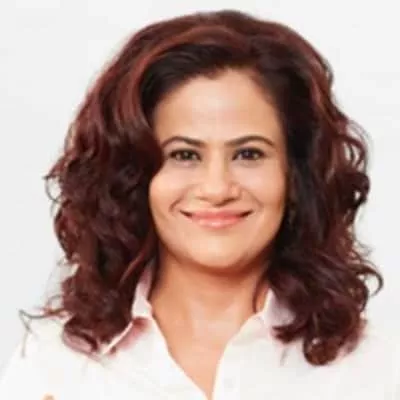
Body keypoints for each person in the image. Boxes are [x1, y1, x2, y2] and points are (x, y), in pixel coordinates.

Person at [0, 8, 398, 400]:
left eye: (248, 154)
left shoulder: (375, 372)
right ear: (132, 176)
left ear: (296, 174)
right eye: (184, 155)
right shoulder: (54, 366)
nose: (217, 188)